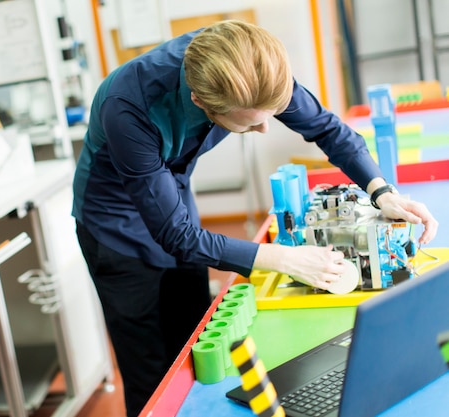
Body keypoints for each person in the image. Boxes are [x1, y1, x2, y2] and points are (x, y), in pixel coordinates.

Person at [72, 20, 438, 417]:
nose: (266, 128)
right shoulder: (129, 107)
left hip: (172, 197)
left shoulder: (252, 66)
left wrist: (382, 193)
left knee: (193, 345)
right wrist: (283, 258)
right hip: (114, 225)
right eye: (251, 122)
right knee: (151, 370)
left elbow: (328, 131)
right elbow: (175, 234)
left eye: (273, 114)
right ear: (201, 102)